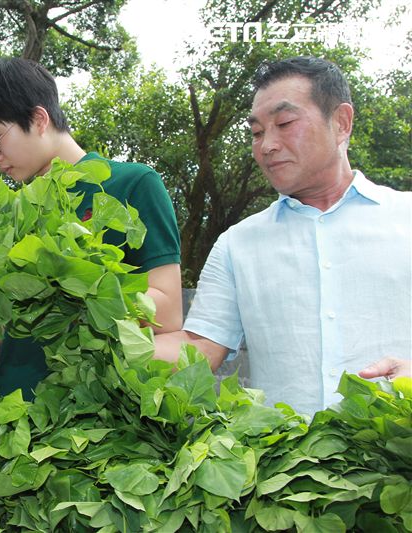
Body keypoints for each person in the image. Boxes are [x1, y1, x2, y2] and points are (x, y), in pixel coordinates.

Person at [153, 56, 411, 415]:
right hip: (283, 467)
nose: (267, 145)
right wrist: (101, 336)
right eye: (257, 133)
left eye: (285, 123)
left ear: (341, 122)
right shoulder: (237, 244)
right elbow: (200, 346)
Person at [0, 58, 183, 401]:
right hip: (13, 424)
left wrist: (69, 297)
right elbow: (20, 336)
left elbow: (167, 309)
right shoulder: (15, 216)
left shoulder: (132, 183)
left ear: (38, 119)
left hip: (89, 424)